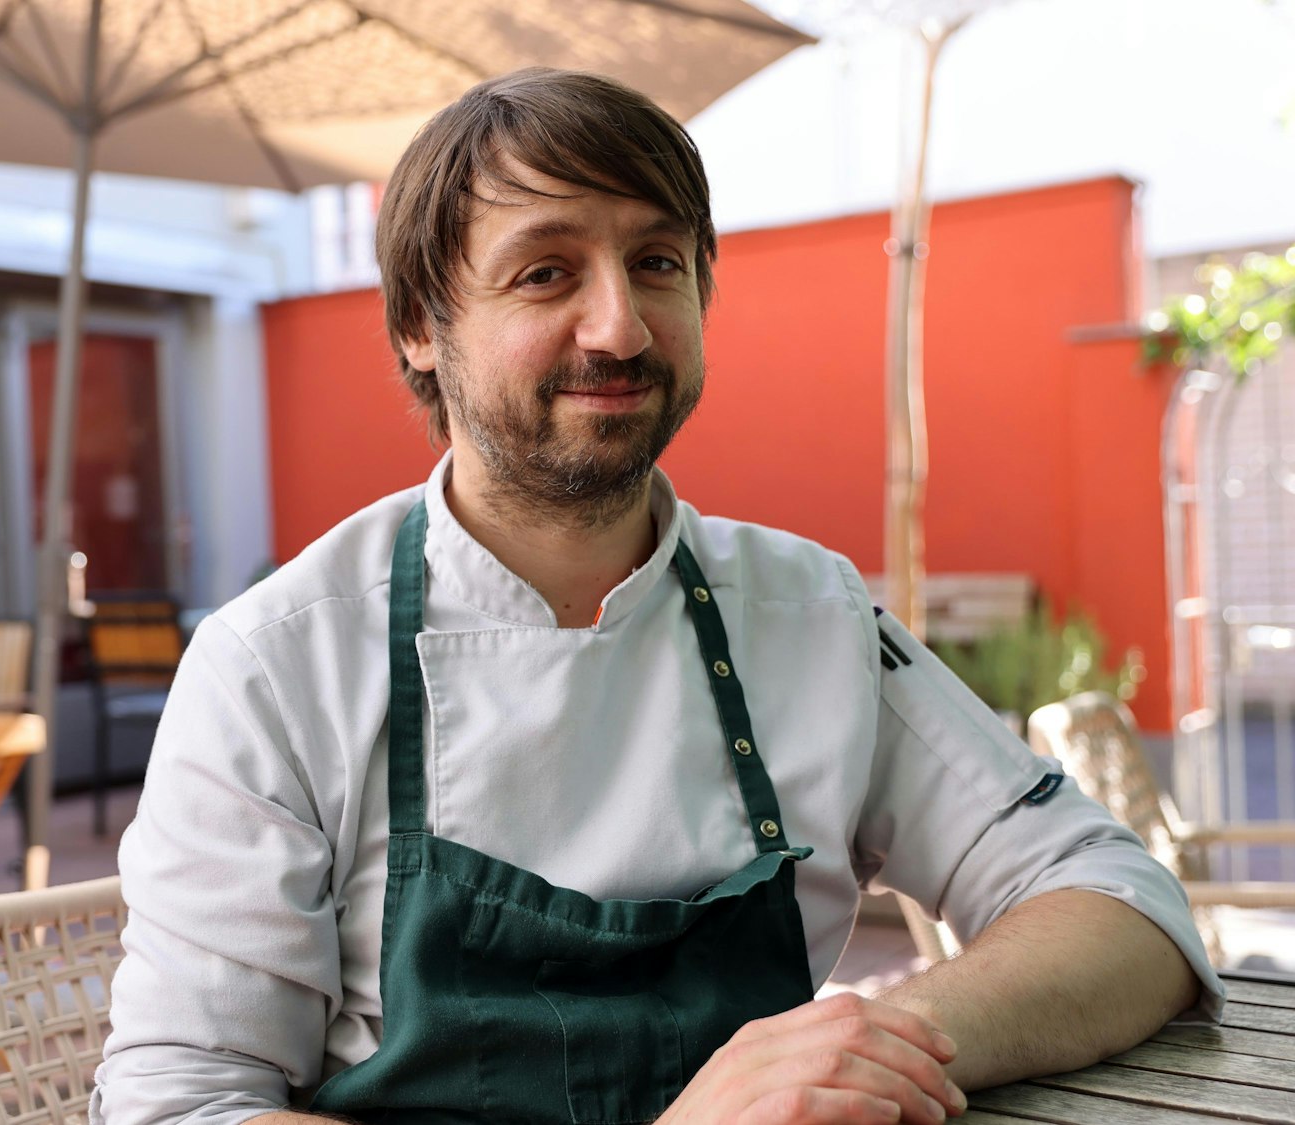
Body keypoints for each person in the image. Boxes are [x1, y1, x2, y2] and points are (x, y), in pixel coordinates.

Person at [92, 67, 1221, 1125]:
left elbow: (1117, 900)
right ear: (419, 327)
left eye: (656, 263)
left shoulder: (804, 614)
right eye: (545, 272)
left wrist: (889, 1034)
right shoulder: (279, 661)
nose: (619, 328)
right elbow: (178, 1097)